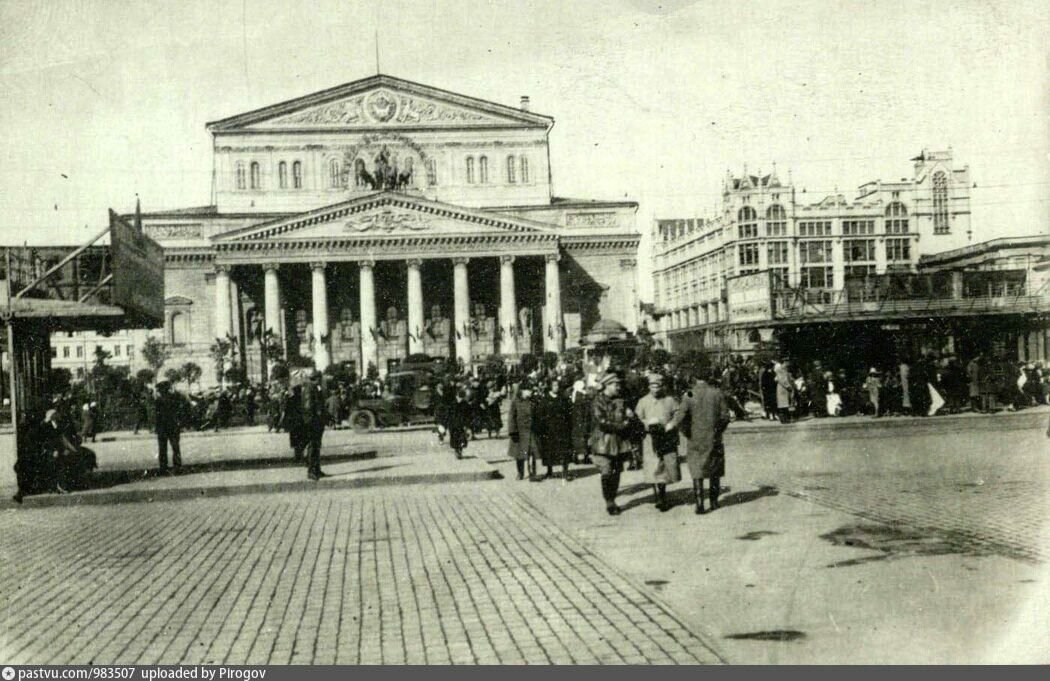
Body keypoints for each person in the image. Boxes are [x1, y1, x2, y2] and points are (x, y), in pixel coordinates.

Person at [668, 369, 731, 515]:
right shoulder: (717, 393)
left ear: (694, 376)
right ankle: (714, 502)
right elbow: (726, 416)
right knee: (714, 468)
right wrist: (718, 431)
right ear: (709, 376)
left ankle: (700, 504)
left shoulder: (689, 394)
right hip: (714, 437)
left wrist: (687, 432)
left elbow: (681, 417)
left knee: (697, 470)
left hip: (695, 438)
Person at [634, 373, 681, 512]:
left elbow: (678, 414)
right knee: (654, 467)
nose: (655, 389)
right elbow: (637, 418)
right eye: (652, 386)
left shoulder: (670, 400)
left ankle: (662, 496)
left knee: (665, 466)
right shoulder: (643, 401)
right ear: (649, 387)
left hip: (666, 437)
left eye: (658, 386)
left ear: (662, 386)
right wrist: (647, 424)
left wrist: (672, 423)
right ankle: (659, 495)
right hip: (650, 439)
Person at [590, 373, 633, 516]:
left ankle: (612, 498)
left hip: (618, 442)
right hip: (604, 442)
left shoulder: (621, 400)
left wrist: (629, 416)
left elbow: (627, 416)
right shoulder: (598, 401)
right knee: (607, 471)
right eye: (616, 385)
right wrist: (622, 425)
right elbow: (601, 421)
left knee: (616, 472)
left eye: (619, 385)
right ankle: (609, 502)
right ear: (607, 385)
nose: (618, 387)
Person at [533, 377, 572, 482]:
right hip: (549, 430)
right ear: (550, 386)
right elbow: (540, 415)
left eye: (558, 385)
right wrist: (541, 428)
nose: (557, 387)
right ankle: (549, 471)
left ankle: (565, 472)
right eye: (554, 385)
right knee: (549, 451)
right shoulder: (545, 400)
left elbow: (568, 413)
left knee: (563, 451)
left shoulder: (563, 399)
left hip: (562, 429)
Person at [507, 381, 539, 480]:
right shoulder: (516, 401)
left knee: (533, 453)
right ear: (522, 391)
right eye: (529, 390)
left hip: (531, 431)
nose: (531, 392)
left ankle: (532, 472)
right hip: (519, 432)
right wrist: (512, 431)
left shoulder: (533, 401)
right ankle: (520, 473)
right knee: (519, 454)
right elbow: (511, 417)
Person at [154, 381, 185, 474]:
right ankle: (177, 467)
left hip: (162, 427)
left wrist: (156, 427)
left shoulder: (158, 401)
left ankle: (163, 468)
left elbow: (156, 415)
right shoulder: (175, 398)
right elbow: (180, 411)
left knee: (162, 448)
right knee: (175, 447)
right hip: (173, 426)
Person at [301, 371, 327, 480]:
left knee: (316, 446)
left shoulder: (315, 388)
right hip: (312, 422)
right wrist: (313, 419)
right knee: (313, 446)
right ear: (316, 378)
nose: (321, 381)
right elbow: (308, 406)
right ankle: (311, 471)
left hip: (317, 421)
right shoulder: (309, 389)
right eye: (320, 379)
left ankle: (316, 469)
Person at [570, 380, 593, 464]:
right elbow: (586, 410)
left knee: (577, 440)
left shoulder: (574, 395)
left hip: (575, 421)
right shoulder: (582, 396)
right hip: (582, 421)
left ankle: (576, 457)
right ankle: (585, 457)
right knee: (584, 439)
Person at [447, 387, 472, 459]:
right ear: (456, 396)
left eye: (461, 397)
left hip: (462, 425)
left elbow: (468, 415)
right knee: (455, 439)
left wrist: (467, 425)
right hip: (454, 424)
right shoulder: (452, 404)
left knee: (462, 439)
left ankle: (459, 451)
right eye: (459, 397)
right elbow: (449, 414)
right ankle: (456, 451)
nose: (459, 399)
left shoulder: (465, 405)